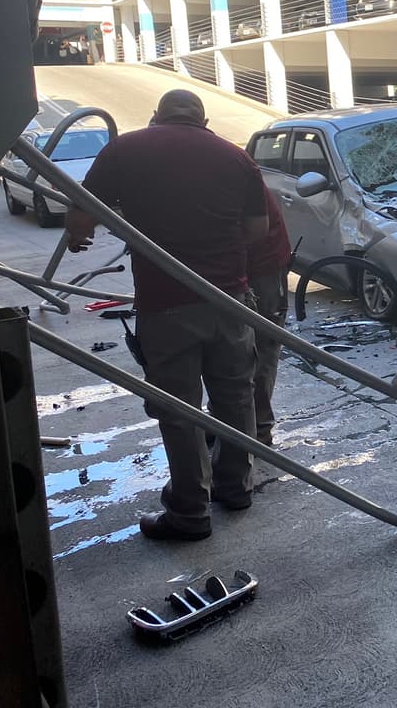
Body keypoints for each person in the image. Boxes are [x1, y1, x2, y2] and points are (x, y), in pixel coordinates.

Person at [64, 90, 268, 542]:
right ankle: (236, 487)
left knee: (179, 409)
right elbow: (257, 229)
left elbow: (80, 217)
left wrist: (80, 237)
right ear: (203, 121)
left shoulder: (125, 149)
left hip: (165, 303)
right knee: (235, 396)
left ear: (156, 116)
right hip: (229, 299)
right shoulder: (235, 156)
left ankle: (191, 512)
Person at [245, 186, 291, 449]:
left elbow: (256, 229)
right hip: (228, 265)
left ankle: (258, 427)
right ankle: (230, 420)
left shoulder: (234, 169)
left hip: (261, 267)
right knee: (226, 349)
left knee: (263, 345)